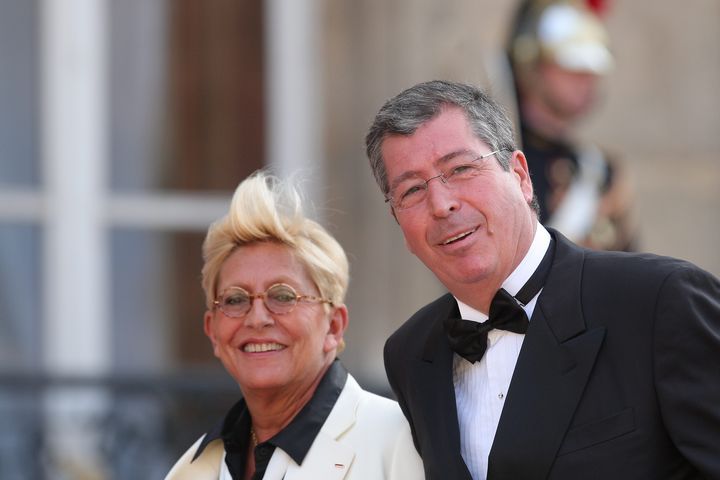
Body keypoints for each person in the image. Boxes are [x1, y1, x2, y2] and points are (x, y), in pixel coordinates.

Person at [365, 80, 720, 479]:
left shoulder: (659, 301)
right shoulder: (411, 353)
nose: (442, 204)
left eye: (461, 169)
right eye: (412, 190)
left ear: (519, 175)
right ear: (399, 223)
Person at [165, 171, 424, 480]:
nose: (257, 318)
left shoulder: (400, 442)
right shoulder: (190, 471)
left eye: (282, 296)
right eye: (235, 300)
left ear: (333, 325)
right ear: (213, 332)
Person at [489, 0, 635, 250]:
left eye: (591, 70)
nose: (586, 80)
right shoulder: (496, 165)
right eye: (570, 67)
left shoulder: (599, 171)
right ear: (532, 65)